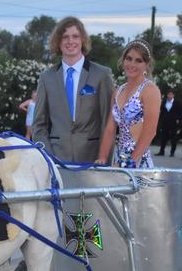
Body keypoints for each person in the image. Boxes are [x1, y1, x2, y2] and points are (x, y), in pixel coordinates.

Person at [32, 16, 114, 163]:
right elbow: (39, 125)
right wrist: (49, 158)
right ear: (58, 42)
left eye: (75, 36)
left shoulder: (102, 75)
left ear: (82, 39)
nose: (70, 41)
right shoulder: (46, 78)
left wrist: (105, 160)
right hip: (56, 162)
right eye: (65, 37)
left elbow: (108, 123)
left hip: (93, 161)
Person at [95, 39, 161, 168]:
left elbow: (150, 131)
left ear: (147, 64)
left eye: (139, 60)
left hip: (138, 163)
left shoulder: (150, 90)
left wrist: (131, 161)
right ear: (123, 60)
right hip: (119, 162)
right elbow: (110, 129)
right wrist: (102, 158)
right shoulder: (117, 92)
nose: (132, 64)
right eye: (129, 58)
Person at [155, 89, 182, 157]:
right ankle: (162, 151)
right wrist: (160, 122)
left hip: (173, 123)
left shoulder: (177, 103)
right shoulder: (164, 102)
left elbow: (181, 112)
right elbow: (161, 112)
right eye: (168, 94)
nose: (170, 96)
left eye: (171, 94)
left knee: (173, 138)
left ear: (173, 95)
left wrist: (178, 119)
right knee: (163, 137)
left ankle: (172, 152)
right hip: (165, 123)